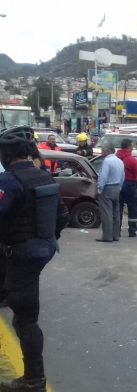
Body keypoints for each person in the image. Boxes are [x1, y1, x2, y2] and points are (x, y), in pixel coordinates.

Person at [0, 126, 69, 391]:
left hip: (21, 254)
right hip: (43, 250)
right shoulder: (44, 177)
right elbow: (61, 215)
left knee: (25, 318)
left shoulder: (10, 180)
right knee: (25, 312)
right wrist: (46, 240)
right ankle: (34, 376)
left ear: (6, 154)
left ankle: (34, 379)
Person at [116, 139, 137, 238]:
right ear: (129, 147)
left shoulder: (116, 157)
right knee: (132, 208)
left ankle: (117, 230)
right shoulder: (131, 159)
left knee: (118, 208)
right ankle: (132, 230)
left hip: (118, 184)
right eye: (132, 146)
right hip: (130, 184)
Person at [96, 144, 124, 243]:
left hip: (107, 188)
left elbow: (103, 176)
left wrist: (99, 188)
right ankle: (115, 235)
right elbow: (122, 176)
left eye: (102, 150)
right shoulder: (119, 161)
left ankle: (107, 236)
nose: (101, 152)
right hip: (117, 187)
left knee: (106, 213)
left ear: (107, 150)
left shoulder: (107, 161)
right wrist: (120, 187)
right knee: (116, 212)